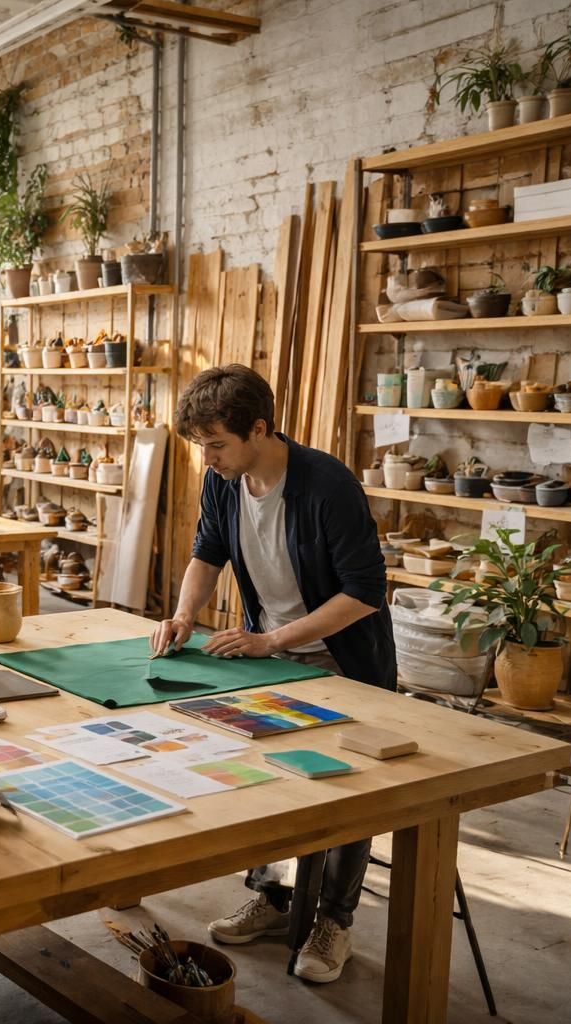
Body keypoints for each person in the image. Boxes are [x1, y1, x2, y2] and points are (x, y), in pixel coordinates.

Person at [149, 364, 394, 985]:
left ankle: (333, 920)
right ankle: (278, 897)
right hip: (273, 656)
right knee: (271, 782)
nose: (207, 459)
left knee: (343, 792)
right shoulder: (225, 482)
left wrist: (273, 640)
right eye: (199, 446)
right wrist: (182, 615)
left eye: (216, 444)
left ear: (259, 429)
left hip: (343, 662)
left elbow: (365, 592)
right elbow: (208, 551)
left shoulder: (326, 485)